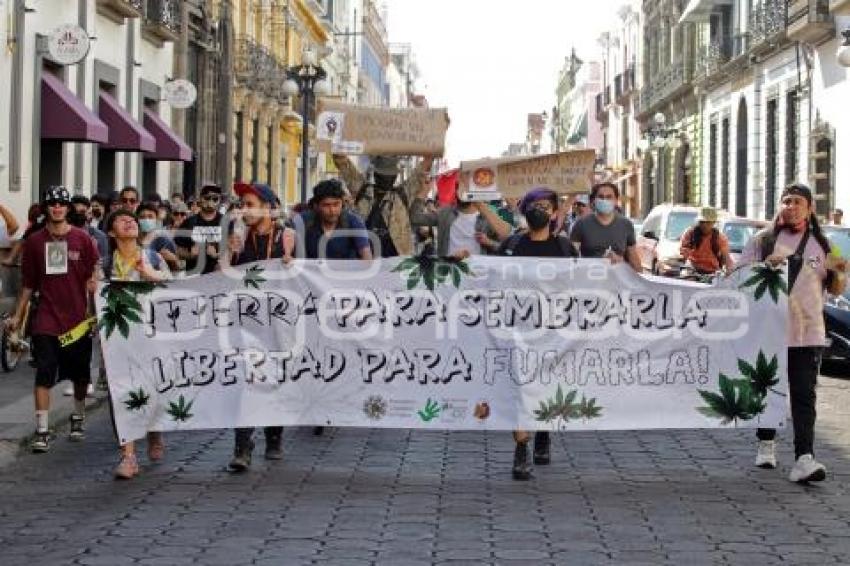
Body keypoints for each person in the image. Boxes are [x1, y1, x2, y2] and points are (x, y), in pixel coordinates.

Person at [740, 183, 846, 483]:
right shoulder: (764, 239)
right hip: (769, 330)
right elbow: (738, 276)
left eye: (798, 202)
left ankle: (804, 457)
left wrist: (840, 273)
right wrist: (764, 265)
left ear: (810, 208)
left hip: (807, 331)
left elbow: (837, 287)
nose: (791, 207)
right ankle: (766, 441)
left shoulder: (825, 244)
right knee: (768, 389)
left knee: (804, 395)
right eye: (786, 201)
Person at [6, 186, 99, 453]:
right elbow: (27, 284)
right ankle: (42, 430)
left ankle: (78, 416)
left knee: (80, 376)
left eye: (61, 204)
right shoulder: (35, 242)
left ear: (68, 208)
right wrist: (17, 316)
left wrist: (94, 312)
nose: (57, 208)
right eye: (52, 204)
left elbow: (93, 277)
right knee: (44, 373)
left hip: (78, 320)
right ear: (46, 208)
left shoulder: (83, 239)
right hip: (46, 318)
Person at [497, 188, 578, 480]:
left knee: (546, 385)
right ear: (524, 210)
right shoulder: (511, 245)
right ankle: (521, 450)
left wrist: (611, 268)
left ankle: (543, 431)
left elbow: (581, 285)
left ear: (555, 213)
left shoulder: (565, 248)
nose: (539, 210)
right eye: (533, 205)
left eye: (545, 206)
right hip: (519, 330)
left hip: (554, 330)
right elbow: (490, 279)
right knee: (519, 388)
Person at [225, 182, 295, 472]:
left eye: (250, 204)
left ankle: (274, 435)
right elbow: (220, 277)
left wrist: (292, 260)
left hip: (280, 322)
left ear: (267, 207)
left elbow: (307, 274)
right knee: (248, 380)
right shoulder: (238, 238)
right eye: (242, 204)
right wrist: (228, 253)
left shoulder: (288, 236)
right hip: (246, 322)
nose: (244, 210)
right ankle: (242, 446)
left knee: (276, 377)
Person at [103, 210, 170, 478]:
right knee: (120, 392)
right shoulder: (105, 263)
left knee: (152, 388)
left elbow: (173, 288)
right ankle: (128, 457)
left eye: (132, 218)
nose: (129, 221)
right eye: (122, 220)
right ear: (111, 232)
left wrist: (150, 274)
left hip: (151, 337)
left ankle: (154, 431)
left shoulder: (152, 257)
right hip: (118, 338)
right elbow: (96, 296)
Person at [333, 154, 433, 257]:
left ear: (395, 177)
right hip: (364, 258)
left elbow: (422, 170)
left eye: (391, 176)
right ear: (376, 175)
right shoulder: (363, 190)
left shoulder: (402, 194)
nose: (387, 179)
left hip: (396, 260)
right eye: (383, 175)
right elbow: (342, 163)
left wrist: (432, 150)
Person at [410, 180, 512, 257]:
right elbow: (415, 218)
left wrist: (489, 242)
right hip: (449, 274)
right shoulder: (445, 213)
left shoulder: (486, 217)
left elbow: (507, 241)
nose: (463, 192)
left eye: (466, 189)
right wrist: (422, 194)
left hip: (478, 275)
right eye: (460, 188)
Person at [570, 183, 641, 272]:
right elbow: (572, 258)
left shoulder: (626, 224)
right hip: (591, 278)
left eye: (609, 197)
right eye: (601, 197)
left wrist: (621, 261)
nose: (604, 200)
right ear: (594, 200)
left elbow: (633, 258)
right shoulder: (581, 224)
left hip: (618, 279)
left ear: (616, 200)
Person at [296, 179, 372, 261]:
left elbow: (366, 254)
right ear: (316, 206)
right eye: (326, 205)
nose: (332, 210)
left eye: (336, 204)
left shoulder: (354, 221)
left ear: (342, 203)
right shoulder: (304, 221)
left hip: (346, 272)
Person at [174, 184, 224, 274]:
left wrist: (217, 255)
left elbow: (233, 250)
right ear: (200, 199)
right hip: (193, 276)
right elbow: (177, 249)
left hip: (219, 277)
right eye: (207, 198)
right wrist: (190, 255)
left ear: (219, 200)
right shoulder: (189, 222)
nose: (210, 202)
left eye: (215, 199)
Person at [679, 206, 734, 274]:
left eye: (708, 222)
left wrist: (730, 270)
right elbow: (682, 254)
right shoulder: (690, 234)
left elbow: (726, 258)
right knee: (685, 275)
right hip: (692, 269)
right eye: (702, 222)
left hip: (712, 272)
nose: (704, 225)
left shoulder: (720, 238)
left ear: (713, 222)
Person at [136, 202, 180, 271]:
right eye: (142, 217)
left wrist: (173, 260)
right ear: (137, 220)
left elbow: (177, 267)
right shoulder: (133, 239)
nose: (146, 220)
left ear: (156, 219)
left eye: (150, 216)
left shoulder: (164, 240)